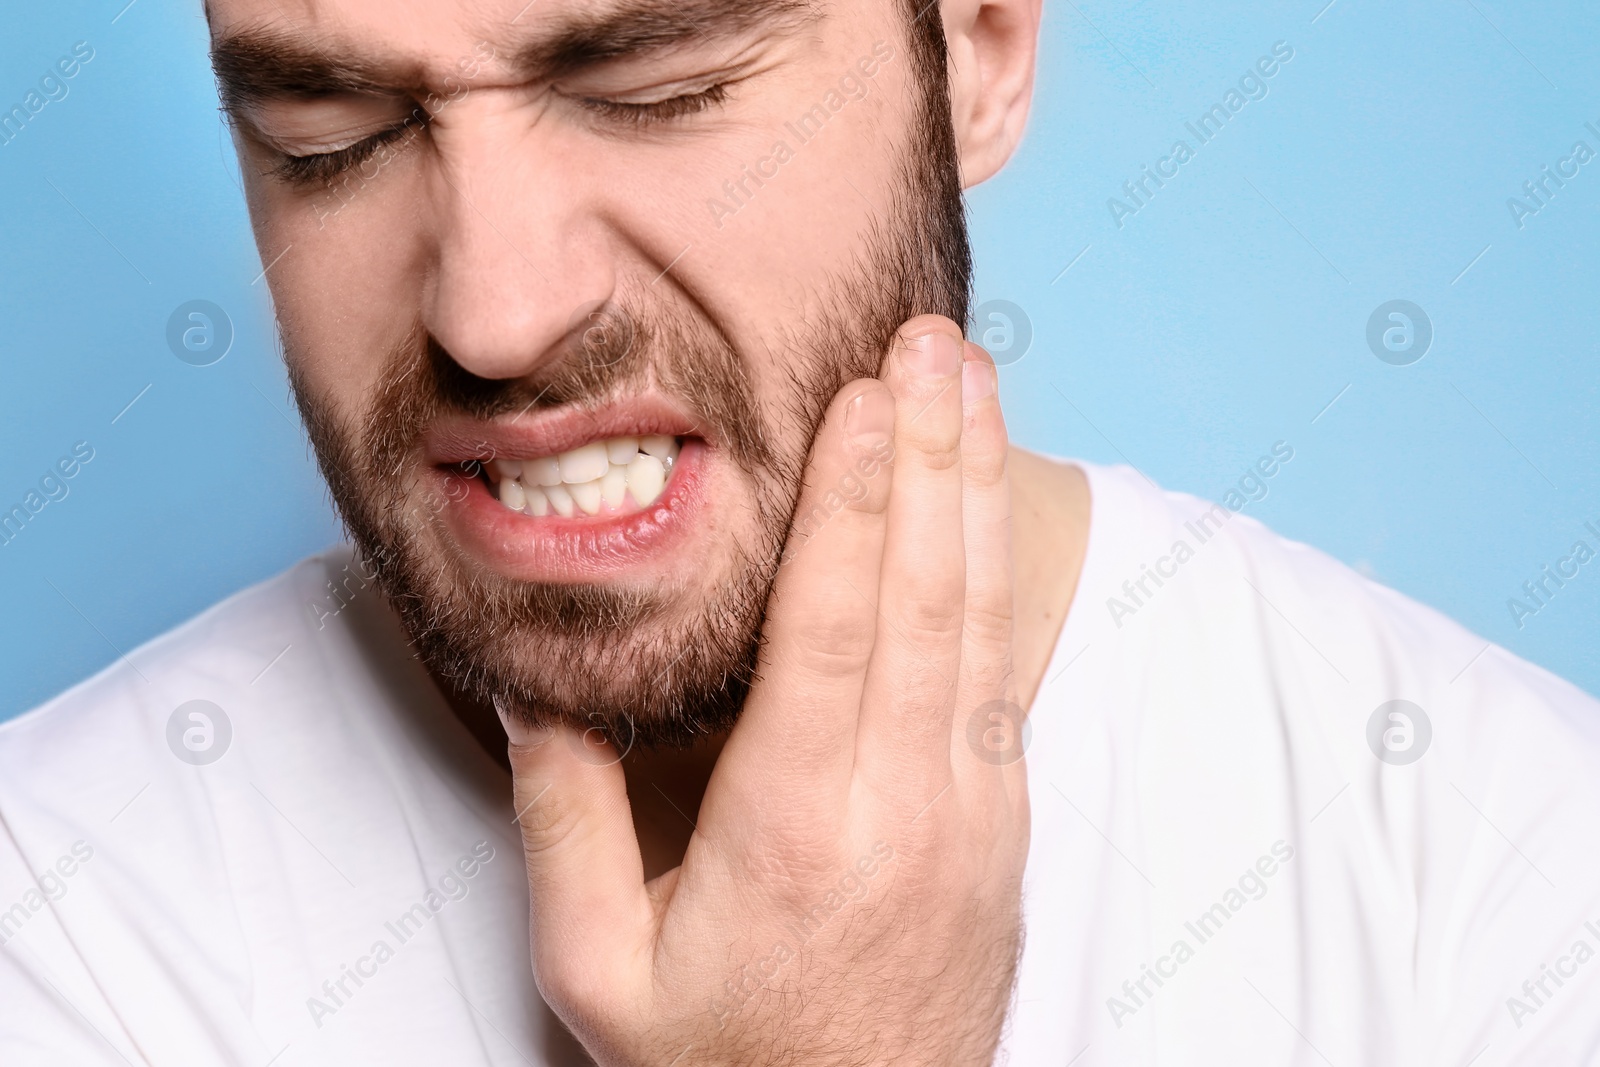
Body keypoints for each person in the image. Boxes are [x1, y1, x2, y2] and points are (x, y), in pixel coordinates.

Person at [2, 0, 1597, 1063]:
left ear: (974, 46)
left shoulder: (1514, 881)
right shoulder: (51, 928)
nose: (493, 313)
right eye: (326, 135)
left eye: (655, 87)